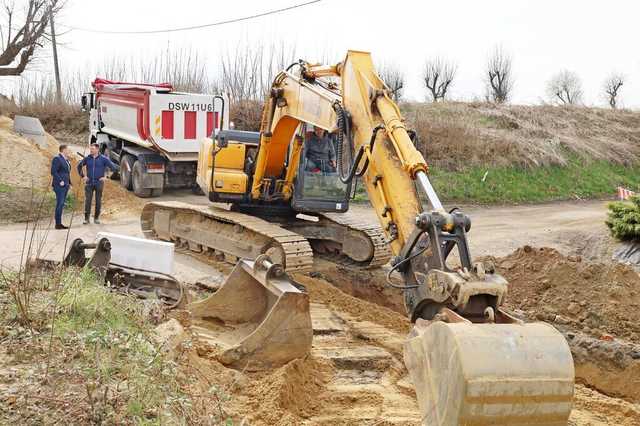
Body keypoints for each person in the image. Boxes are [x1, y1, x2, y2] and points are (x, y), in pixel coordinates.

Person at [77, 143, 119, 225]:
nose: (91, 150)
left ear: (97, 149)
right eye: (90, 149)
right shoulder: (87, 158)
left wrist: (106, 177)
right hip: (89, 183)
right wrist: (83, 176)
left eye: (92, 149)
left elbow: (114, 168)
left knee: (98, 201)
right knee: (88, 201)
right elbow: (79, 166)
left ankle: (96, 218)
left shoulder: (103, 159)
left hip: (99, 183)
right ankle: (86, 219)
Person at [51, 144, 72, 229]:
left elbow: (67, 173)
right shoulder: (57, 158)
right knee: (59, 204)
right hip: (59, 185)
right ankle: (58, 224)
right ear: (63, 150)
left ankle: (59, 223)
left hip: (66, 185)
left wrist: (69, 183)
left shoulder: (66, 160)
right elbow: (53, 172)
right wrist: (60, 181)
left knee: (62, 204)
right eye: (67, 149)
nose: (69, 151)